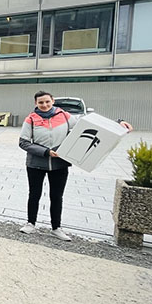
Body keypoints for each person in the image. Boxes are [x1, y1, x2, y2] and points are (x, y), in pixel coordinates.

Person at [18, 91, 132, 241]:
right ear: (36, 104)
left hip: (60, 164)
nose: (44, 105)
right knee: (34, 194)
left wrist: (119, 123)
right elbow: (23, 142)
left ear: (52, 101)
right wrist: (46, 152)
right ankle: (30, 223)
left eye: (47, 101)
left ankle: (56, 227)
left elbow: (92, 124)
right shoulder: (31, 119)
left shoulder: (64, 116)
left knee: (57, 196)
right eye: (41, 102)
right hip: (36, 164)